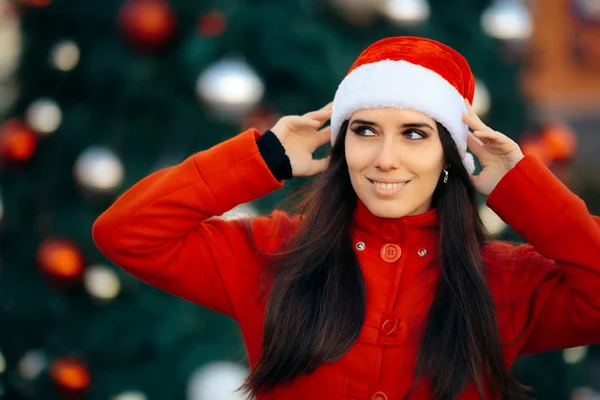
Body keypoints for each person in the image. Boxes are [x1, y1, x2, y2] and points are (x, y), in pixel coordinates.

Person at [92, 36, 600, 400]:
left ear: (452, 154)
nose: (384, 158)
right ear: (341, 141)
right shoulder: (272, 254)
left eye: (415, 134)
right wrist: (262, 158)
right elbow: (127, 232)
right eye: (364, 130)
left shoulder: (507, 281)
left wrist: (522, 186)